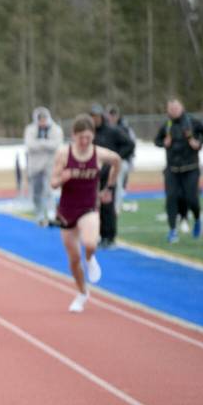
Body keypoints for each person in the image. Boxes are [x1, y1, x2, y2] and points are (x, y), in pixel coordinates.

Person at [50, 115, 122, 313]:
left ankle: (90, 259)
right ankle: (82, 293)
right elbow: (53, 182)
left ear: (93, 136)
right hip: (66, 210)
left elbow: (117, 160)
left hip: (89, 206)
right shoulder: (64, 154)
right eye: (80, 138)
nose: (84, 142)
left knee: (90, 243)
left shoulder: (99, 154)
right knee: (73, 260)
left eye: (88, 138)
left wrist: (110, 187)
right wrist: (62, 178)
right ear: (73, 136)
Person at [154, 97, 203, 243]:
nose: (173, 111)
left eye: (176, 108)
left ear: (181, 107)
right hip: (172, 169)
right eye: (171, 109)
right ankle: (172, 230)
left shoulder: (193, 122)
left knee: (192, 199)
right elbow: (156, 141)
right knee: (171, 198)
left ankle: (197, 218)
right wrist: (163, 143)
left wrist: (198, 143)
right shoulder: (166, 125)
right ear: (167, 110)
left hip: (191, 168)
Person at [89, 103, 134, 248]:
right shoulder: (90, 133)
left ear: (101, 116)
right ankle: (101, 235)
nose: (94, 119)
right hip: (94, 174)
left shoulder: (113, 131)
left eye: (96, 116)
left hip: (110, 174)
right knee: (96, 206)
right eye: (92, 117)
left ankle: (110, 236)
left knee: (108, 205)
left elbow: (129, 144)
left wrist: (116, 159)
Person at [24, 107, 63, 226]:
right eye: (40, 119)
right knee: (36, 192)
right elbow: (30, 145)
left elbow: (56, 145)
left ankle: (51, 215)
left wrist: (40, 143)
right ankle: (39, 215)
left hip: (50, 165)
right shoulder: (30, 129)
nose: (42, 121)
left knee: (50, 191)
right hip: (35, 166)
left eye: (44, 118)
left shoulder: (56, 129)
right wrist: (46, 144)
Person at [106, 105, 137, 214]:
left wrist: (119, 157)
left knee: (117, 184)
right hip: (107, 161)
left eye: (114, 115)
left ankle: (116, 208)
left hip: (120, 161)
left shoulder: (124, 129)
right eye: (110, 115)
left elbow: (131, 145)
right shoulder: (105, 128)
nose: (112, 117)